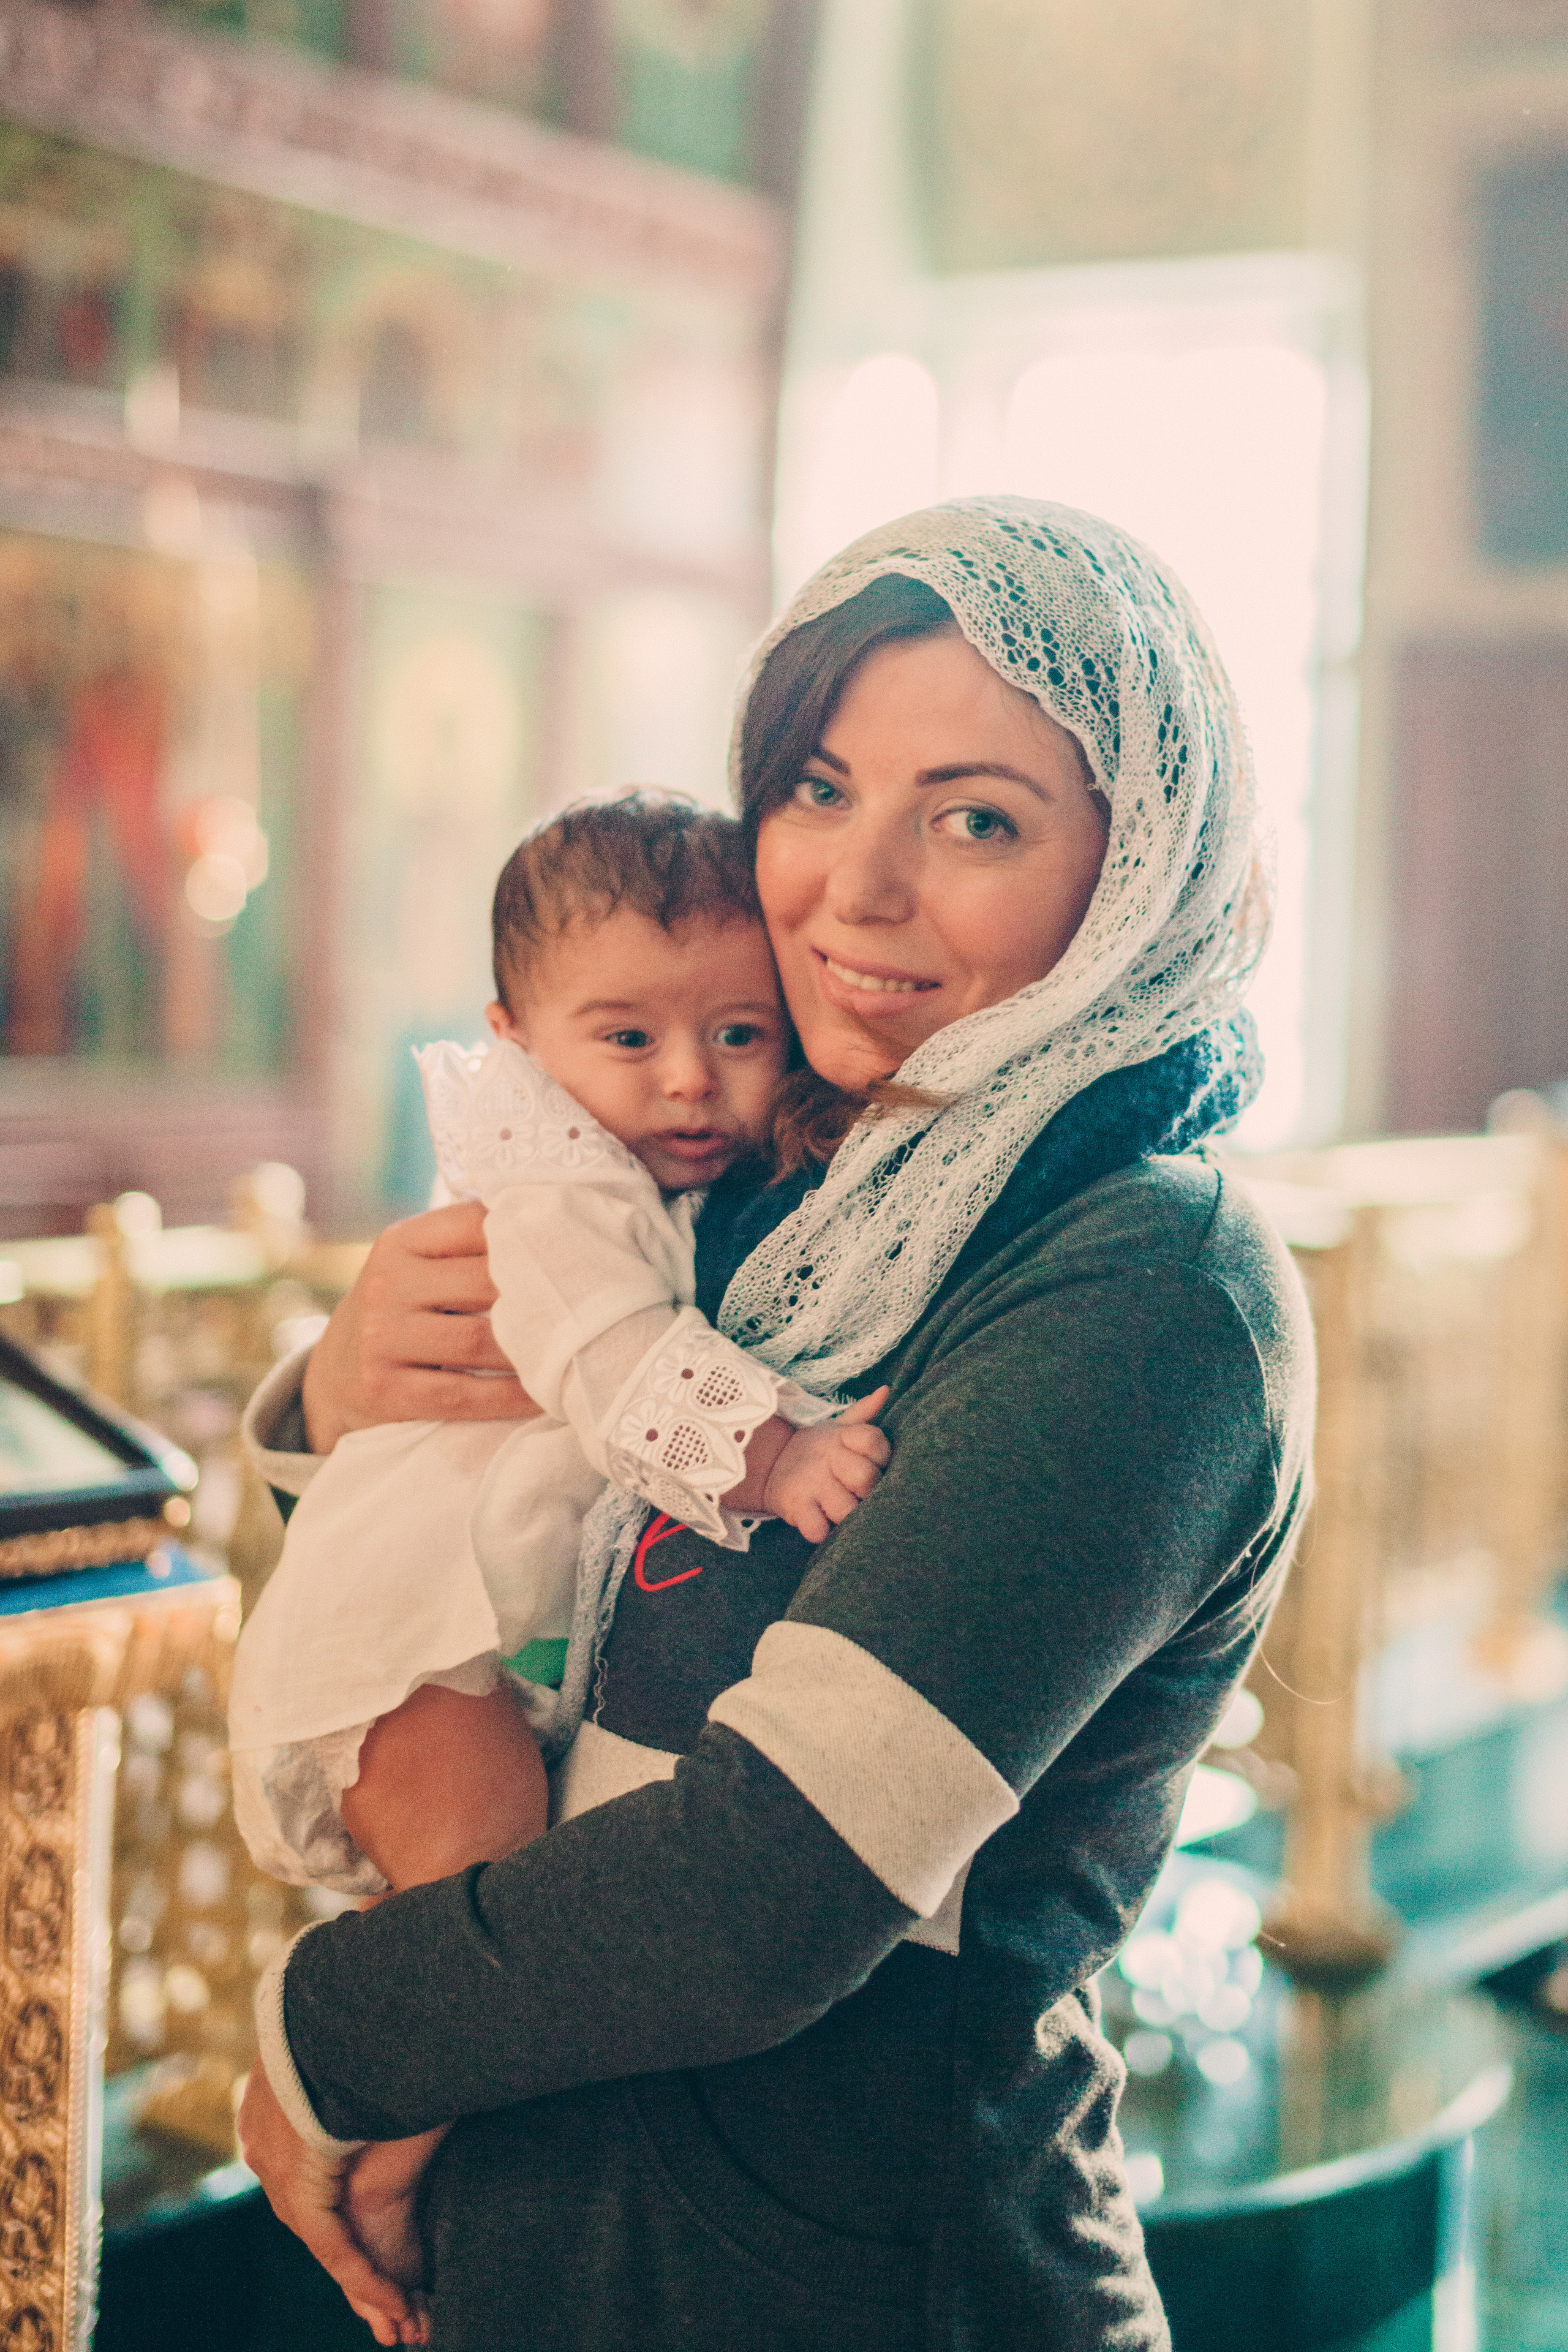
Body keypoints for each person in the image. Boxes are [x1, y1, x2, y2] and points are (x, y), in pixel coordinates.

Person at [238, 497, 1314, 2352]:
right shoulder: (779, 1171)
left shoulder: (1143, 1285)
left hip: (868, 2281)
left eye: (976, 818)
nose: (854, 890)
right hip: (589, 2247)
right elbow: (539, 1577)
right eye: (815, 790)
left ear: (1138, 869)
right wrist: (337, 1408)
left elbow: (766, 1891)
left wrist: (321, 2046)